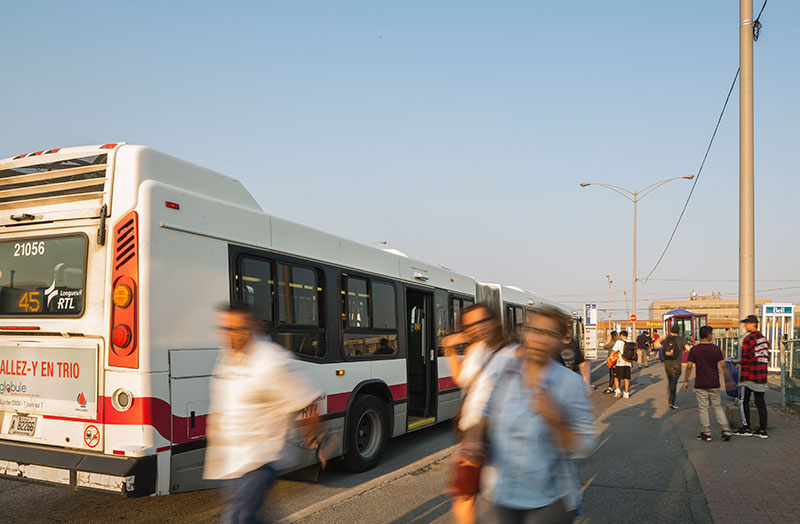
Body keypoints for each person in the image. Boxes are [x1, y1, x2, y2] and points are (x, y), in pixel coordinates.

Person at [204, 304, 324, 524]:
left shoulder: (272, 361)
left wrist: (313, 436)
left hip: (260, 458)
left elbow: (308, 400)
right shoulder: (227, 357)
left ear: (252, 328)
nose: (231, 335)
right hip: (229, 461)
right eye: (226, 329)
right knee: (247, 516)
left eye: (238, 329)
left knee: (239, 518)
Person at [475, 306, 595, 523]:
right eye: (535, 331)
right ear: (525, 333)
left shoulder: (570, 383)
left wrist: (556, 419)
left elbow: (584, 446)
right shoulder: (507, 371)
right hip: (501, 493)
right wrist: (471, 442)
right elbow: (487, 414)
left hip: (549, 499)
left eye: (550, 334)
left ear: (560, 341)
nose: (540, 339)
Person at [443, 303, 515, 524]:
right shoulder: (475, 350)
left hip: (500, 431)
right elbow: (461, 380)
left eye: (482, 321)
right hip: (471, 431)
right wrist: (450, 350)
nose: (477, 328)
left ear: (494, 321)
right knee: (465, 493)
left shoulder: (514, 353)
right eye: (470, 325)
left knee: (502, 495)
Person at [682, 325, 733, 442]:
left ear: (700, 336)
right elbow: (723, 365)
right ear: (710, 335)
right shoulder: (716, 349)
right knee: (717, 406)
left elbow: (689, 366)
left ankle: (707, 433)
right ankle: (726, 429)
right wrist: (728, 379)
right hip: (714, 382)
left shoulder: (695, 350)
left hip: (701, 383)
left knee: (703, 408)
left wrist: (686, 380)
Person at [731, 315, 770, 438]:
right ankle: (763, 430)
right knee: (760, 402)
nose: (745, 326)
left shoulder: (748, 339)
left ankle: (746, 427)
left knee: (744, 401)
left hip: (749, 375)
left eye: (747, 323)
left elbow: (746, 359)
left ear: (753, 324)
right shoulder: (763, 339)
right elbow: (766, 356)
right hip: (761, 374)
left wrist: (737, 362)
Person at [655, 325, 688, 409]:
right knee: (673, 383)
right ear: (678, 331)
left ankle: (671, 399)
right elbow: (689, 349)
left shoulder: (666, 339)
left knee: (670, 382)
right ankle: (671, 402)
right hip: (676, 364)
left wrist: (663, 337)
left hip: (667, 364)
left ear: (671, 331)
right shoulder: (681, 339)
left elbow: (656, 345)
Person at [612, 330, 632, 398]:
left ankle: (617, 389)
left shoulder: (619, 342)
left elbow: (614, 351)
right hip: (628, 363)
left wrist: (609, 358)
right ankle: (626, 393)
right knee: (626, 378)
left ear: (621, 335)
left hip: (620, 363)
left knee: (616, 377)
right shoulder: (630, 342)